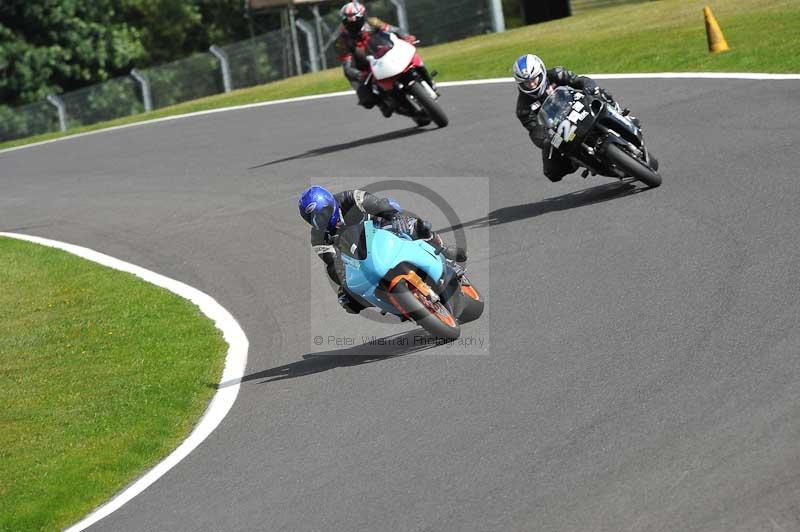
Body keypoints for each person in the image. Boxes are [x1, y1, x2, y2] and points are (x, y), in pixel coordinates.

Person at [299, 185, 465, 314]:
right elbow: (332, 264)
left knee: (415, 226)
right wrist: (343, 283)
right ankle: (394, 303)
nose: (325, 220)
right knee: (348, 301)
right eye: (318, 220)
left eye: (325, 213)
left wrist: (393, 216)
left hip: (382, 229)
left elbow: (377, 204)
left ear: (331, 204)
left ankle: (442, 251)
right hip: (360, 258)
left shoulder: (349, 198)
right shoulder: (318, 238)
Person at [513, 54, 619, 182]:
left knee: (597, 92)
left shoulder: (557, 74)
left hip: (579, 106)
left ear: (541, 72)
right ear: (520, 83)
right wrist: (546, 140)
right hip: (559, 129)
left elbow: (579, 80)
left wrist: (589, 87)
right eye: (526, 83)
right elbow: (535, 131)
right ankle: (577, 161)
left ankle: (615, 111)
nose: (531, 84)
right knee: (551, 173)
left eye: (534, 79)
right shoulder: (523, 108)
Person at [335, 1, 415, 117]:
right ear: (344, 22)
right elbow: (347, 66)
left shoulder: (373, 22)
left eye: (356, 20)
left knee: (410, 57)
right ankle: (382, 104)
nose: (353, 25)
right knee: (367, 100)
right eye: (349, 22)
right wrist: (359, 75)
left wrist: (406, 37)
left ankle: (426, 80)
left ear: (363, 17)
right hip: (364, 68)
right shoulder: (341, 41)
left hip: (384, 53)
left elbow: (395, 30)